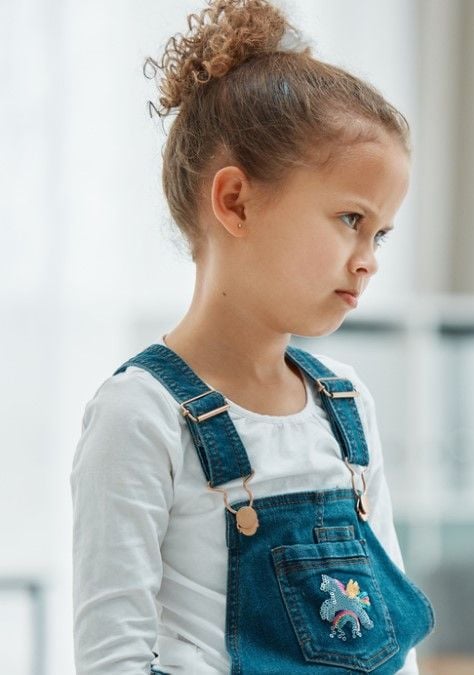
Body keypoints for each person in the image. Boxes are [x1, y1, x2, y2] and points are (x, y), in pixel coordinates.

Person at [70, 1, 432, 672]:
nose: (369, 257)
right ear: (234, 201)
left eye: (379, 233)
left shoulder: (346, 402)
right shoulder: (139, 414)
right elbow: (111, 654)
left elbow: (391, 641)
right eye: (349, 218)